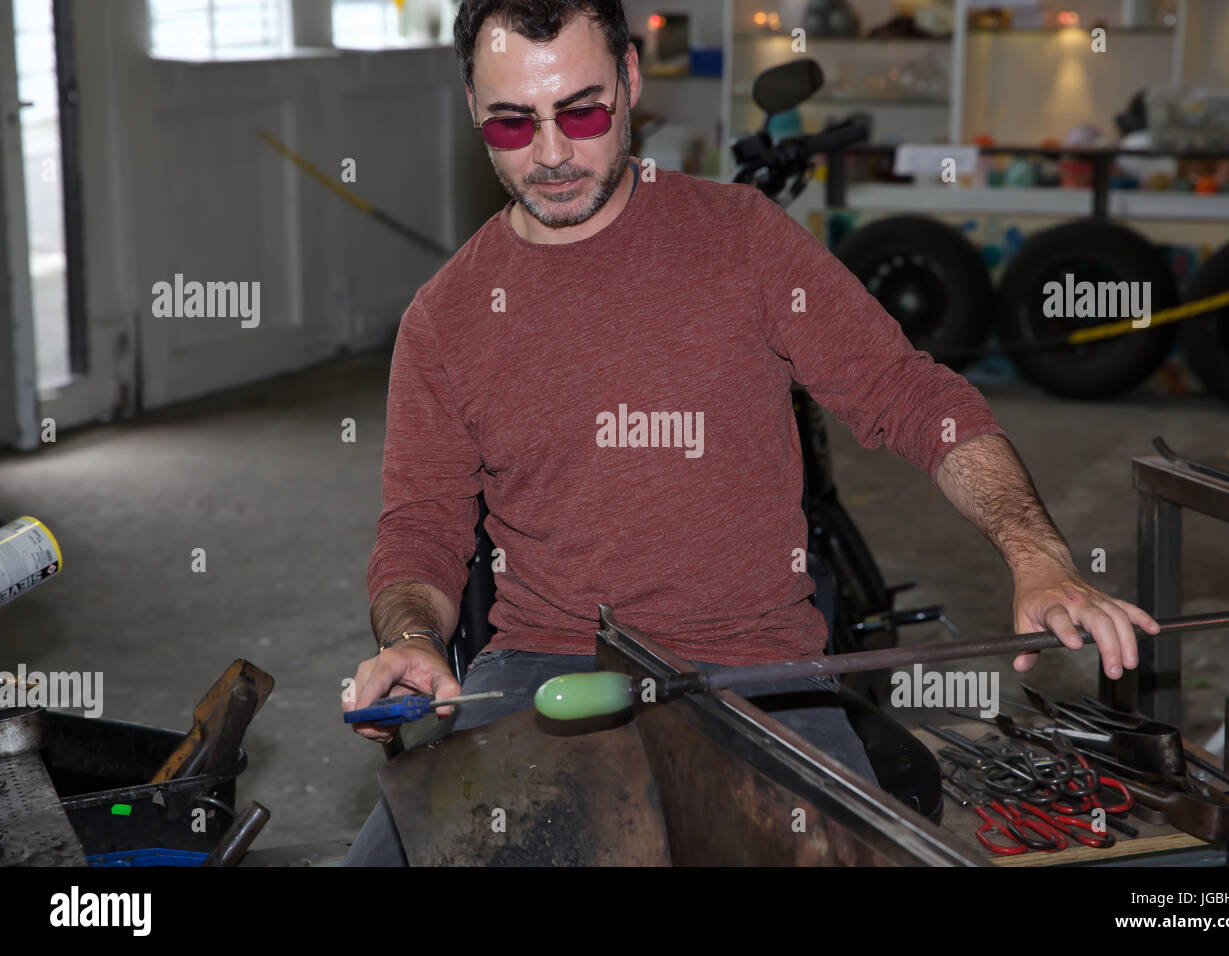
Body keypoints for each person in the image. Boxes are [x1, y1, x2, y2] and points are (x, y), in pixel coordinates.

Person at [342, 0, 1159, 866]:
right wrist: (412, 641)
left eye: (582, 111)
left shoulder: (742, 240)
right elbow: (421, 529)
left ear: (629, 80)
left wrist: (1036, 555)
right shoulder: (446, 318)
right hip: (544, 671)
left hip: (754, 668)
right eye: (513, 124)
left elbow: (912, 396)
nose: (550, 154)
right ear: (473, 107)